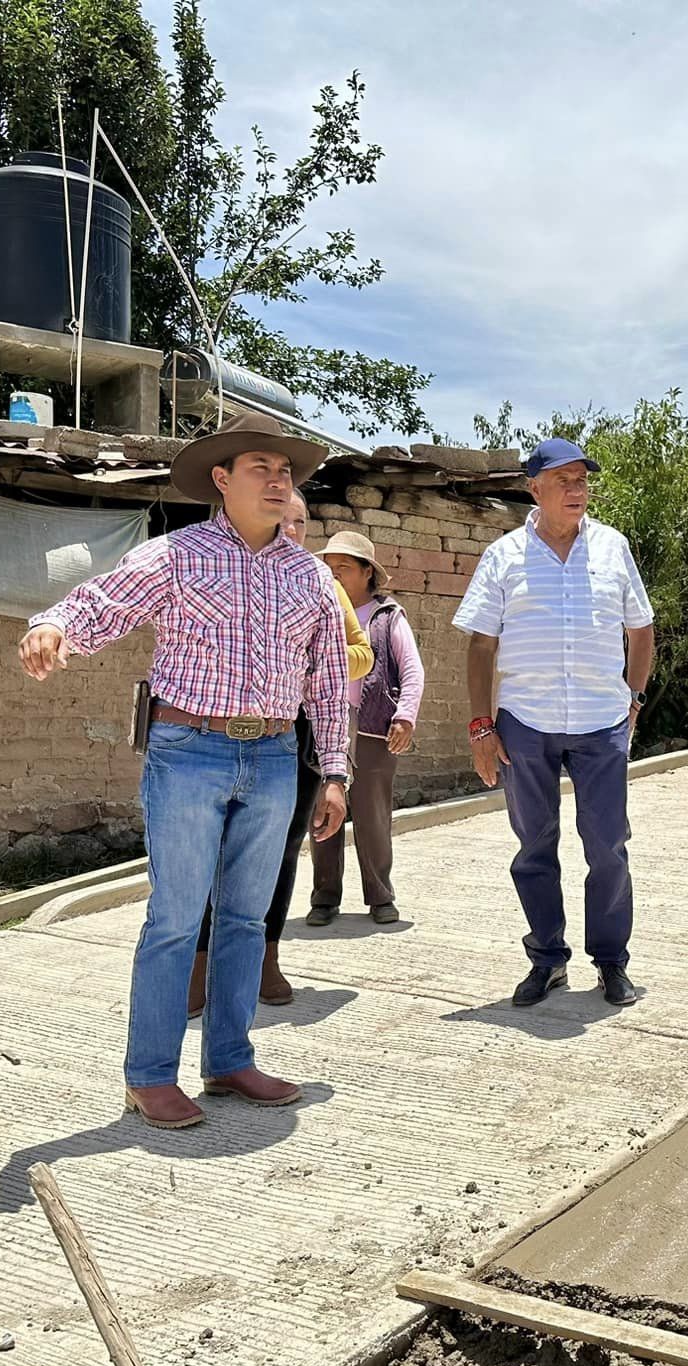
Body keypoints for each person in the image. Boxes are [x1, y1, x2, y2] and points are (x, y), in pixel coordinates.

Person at [21, 411, 350, 1130]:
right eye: (260, 468)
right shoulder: (178, 554)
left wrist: (333, 772)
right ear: (222, 480)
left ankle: (229, 1058)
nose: (277, 480)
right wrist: (53, 628)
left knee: (245, 917)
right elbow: (102, 604)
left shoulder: (312, 577)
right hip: (188, 752)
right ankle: (148, 1075)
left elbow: (328, 682)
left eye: (285, 471)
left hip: (271, 756)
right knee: (175, 917)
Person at [454, 438, 655, 1008]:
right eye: (563, 480)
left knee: (608, 845)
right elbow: (479, 646)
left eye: (582, 480)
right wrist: (480, 727)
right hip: (525, 722)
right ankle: (547, 960)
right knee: (534, 847)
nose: (577, 490)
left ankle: (612, 963)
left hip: (601, 720)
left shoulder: (613, 548)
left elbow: (641, 631)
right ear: (533, 488)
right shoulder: (504, 556)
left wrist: (634, 701)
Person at [187, 490, 373, 1014]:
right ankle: (198, 965)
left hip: (300, 735)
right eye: (282, 518)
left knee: (284, 848)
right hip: (222, 732)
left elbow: (362, 653)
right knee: (209, 852)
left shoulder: (322, 586)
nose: (291, 530)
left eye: (301, 521)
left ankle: (266, 957)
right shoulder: (220, 567)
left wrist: (313, 666)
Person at [310, 530, 425, 924]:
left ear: (366, 573)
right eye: (330, 567)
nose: (335, 574)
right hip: (325, 722)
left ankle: (380, 896)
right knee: (322, 809)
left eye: (344, 567)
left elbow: (412, 668)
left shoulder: (387, 616)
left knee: (372, 814)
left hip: (373, 726)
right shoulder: (321, 611)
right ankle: (324, 897)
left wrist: (405, 714)